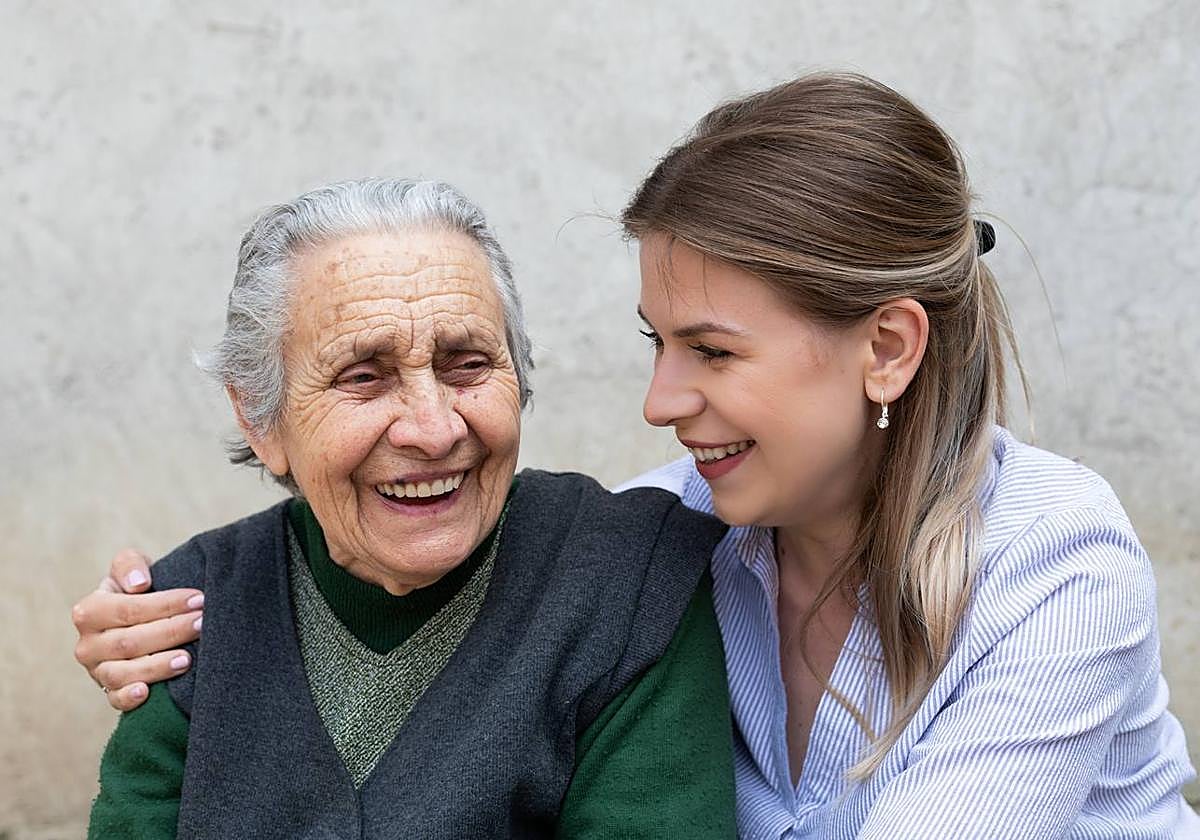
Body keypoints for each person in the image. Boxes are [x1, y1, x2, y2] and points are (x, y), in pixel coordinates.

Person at [76, 74, 1199, 838]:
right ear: (258, 419)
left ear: (888, 348)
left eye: (711, 350)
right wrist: (160, 624)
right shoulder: (667, 544)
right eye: (656, 344)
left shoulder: (1055, 569)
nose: (662, 401)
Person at [78, 178, 738, 839]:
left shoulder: (628, 579)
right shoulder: (189, 613)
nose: (433, 428)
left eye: (467, 365)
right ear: (261, 421)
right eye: (363, 377)